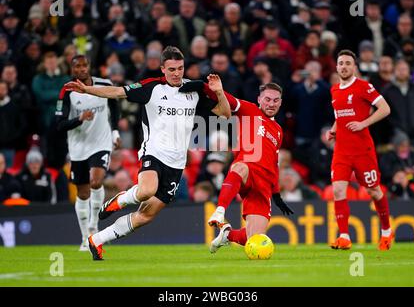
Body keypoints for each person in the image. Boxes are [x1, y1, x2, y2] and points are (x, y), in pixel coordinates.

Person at [65, 46, 231, 260]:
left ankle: (96, 240)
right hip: (154, 152)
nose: (176, 73)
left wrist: (219, 91)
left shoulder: (194, 90)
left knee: (145, 215)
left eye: (180, 68)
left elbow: (225, 114)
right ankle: (120, 200)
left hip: (177, 163)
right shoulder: (151, 88)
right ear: (162, 69)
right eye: (171, 69)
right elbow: (117, 92)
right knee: (145, 190)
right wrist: (87, 90)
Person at [184, 81, 294, 253]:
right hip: (248, 172)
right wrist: (205, 86)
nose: (271, 104)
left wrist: (277, 194)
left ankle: (227, 235)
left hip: (263, 187)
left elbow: (274, 164)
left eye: (275, 100)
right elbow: (226, 99)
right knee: (240, 167)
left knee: (254, 238)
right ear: (259, 99)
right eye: (267, 99)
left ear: (280, 102)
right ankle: (220, 211)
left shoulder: (279, 131)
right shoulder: (249, 109)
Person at [326, 49, 393, 250]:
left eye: (348, 63)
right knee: (338, 190)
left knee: (374, 190)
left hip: (363, 150)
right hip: (342, 151)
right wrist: (333, 129)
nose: (344, 66)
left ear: (354, 67)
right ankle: (344, 236)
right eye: (341, 63)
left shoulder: (364, 87)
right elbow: (341, 116)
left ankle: (387, 231)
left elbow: (385, 108)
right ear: (336, 67)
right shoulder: (335, 90)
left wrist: (364, 123)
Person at [56, 55, 121, 251]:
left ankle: (94, 227)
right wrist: (80, 119)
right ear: (72, 69)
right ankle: (85, 236)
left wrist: (115, 131)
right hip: (78, 148)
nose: (82, 69)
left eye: (85, 65)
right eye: (78, 66)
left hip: (101, 143)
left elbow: (115, 106)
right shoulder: (67, 91)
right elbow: (59, 124)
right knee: (83, 194)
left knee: (96, 181)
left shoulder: (104, 84)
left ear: (90, 66)